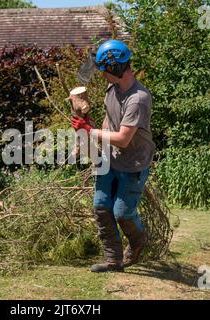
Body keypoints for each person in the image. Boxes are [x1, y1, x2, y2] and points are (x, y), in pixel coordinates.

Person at [71, 40, 156, 272]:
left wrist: (90, 131)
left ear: (116, 69)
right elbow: (110, 121)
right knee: (101, 207)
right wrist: (91, 129)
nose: (102, 74)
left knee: (122, 213)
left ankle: (138, 241)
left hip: (134, 161)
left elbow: (123, 138)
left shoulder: (138, 98)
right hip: (111, 158)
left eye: (104, 70)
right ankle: (113, 260)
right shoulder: (113, 89)